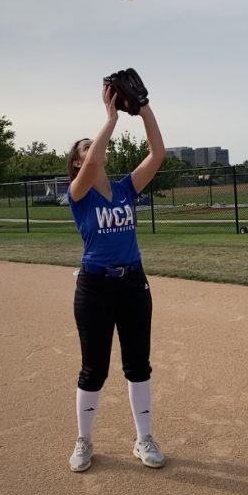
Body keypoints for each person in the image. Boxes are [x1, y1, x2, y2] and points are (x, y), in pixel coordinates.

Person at [66, 81, 166, 472]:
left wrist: (143, 109)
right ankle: (84, 441)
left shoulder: (125, 189)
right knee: (94, 367)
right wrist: (110, 117)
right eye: (86, 147)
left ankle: (143, 439)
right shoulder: (79, 193)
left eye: (96, 143)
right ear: (77, 163)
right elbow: (93, 164)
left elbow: (157, 155)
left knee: (138, 364)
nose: (94, 150)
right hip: (94, 286)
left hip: (132, 284)